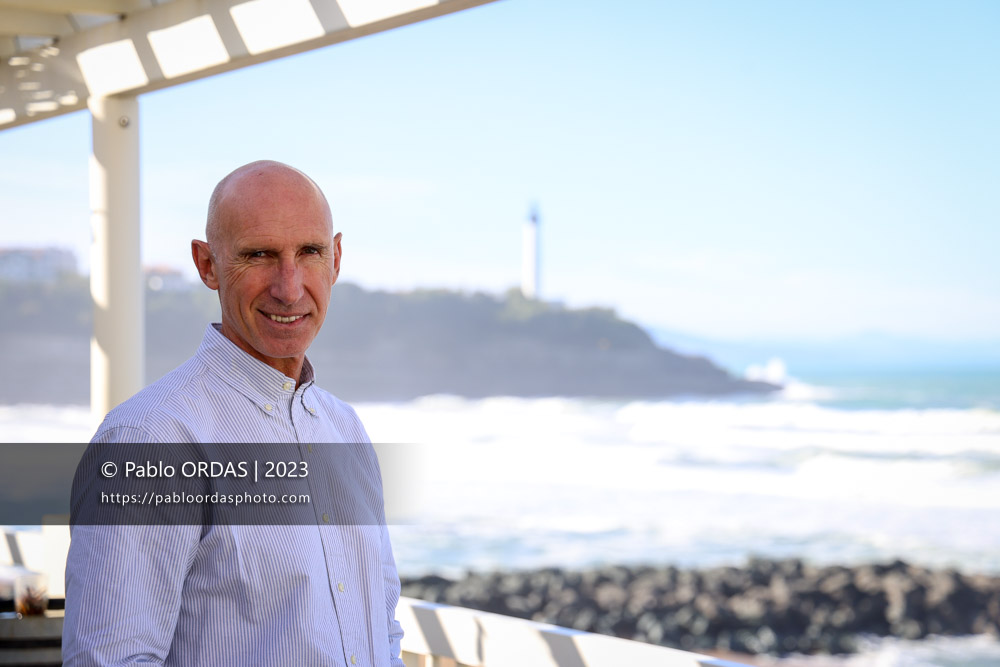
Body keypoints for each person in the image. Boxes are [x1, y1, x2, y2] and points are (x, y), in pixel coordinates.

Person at [63, 161, 404, 666]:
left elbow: (384, 631)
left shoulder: (346, 430)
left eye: (309, 253)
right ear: (207, 265)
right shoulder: (152, 439)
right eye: (258, 255)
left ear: (335, 259)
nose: (289, 288)